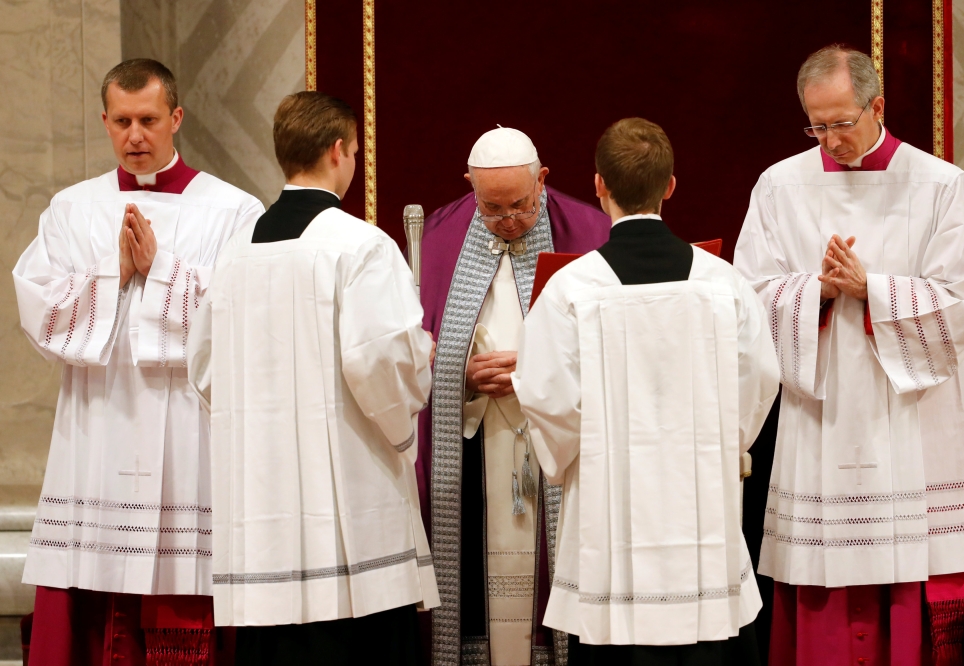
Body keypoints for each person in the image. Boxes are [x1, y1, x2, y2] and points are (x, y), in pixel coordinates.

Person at [733, 45, 964, 666]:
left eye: (841, 123)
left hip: (910, 418)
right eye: (816, 125)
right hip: (821, 415)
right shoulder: (779, 184)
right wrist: (815, 290)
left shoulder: (939, 184)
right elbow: (747, 297)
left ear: (878, 106)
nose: (830, 140)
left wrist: (870, 290)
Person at [12, 58, 262, 665]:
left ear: (176, 117)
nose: (135, 136)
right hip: (97, 424)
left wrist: (162, 272)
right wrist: (112, 273)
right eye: (121, 121)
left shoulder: (233, 210)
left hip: (187, 430)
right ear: (104, 121)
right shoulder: (72, 209)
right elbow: (38, 306)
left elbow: (246, 313)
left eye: (148, 120)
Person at [513, 117, 779, 666]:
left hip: (610, 510)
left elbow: (545, 395)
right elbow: (760, 378)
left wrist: (573, 455)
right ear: (671, 186)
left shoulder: (571, 289)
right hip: (701, 505)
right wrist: (721, 445)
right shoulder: (722, 284)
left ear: (598, 186)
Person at [186, 91, 439, 665]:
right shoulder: (360, 245)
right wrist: (415, 368)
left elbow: (202, 368)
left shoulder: (234, 254)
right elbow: (377, 361)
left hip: (261, 502)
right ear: (338, 151)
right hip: (347, 495)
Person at [415, 127, 610, 665]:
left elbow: (612, 345)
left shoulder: (588, 230)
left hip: (552, 442)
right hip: (474, 441)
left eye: (520, 206)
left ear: (542, 180)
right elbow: (417, 347)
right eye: (491, 208)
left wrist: (535, 371)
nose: (507, 222)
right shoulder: (439, 235)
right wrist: (462, 376)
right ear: (469, 188)